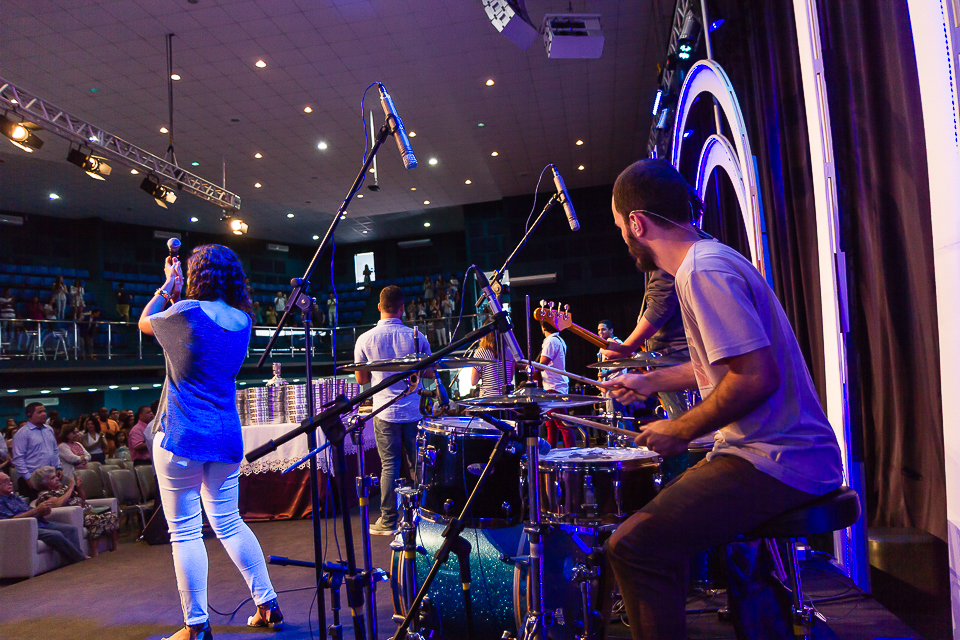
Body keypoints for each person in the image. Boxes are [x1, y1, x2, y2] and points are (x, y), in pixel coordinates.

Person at [599, 159, 843, 639]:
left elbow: (754, 378)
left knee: (633, 547)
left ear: (636, 223)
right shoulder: (713, 258)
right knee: (650, 540)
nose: (623, 241)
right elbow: (723, 363)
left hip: (777, 459)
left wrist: (679, 428)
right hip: (770, 452)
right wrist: (653, 381)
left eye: (619, 228)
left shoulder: (701, 271)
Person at [139, 244, 283, 640]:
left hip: (183, 435)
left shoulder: (185, 312)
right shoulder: (244, 319)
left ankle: (196, 626)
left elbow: (144, 323)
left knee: (184, 532)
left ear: (196, 274)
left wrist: (168, 285)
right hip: (224, 435)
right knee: (229, 522)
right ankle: (268, 604)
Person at [353, 285, 435, 535]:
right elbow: (431, 372)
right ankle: (425, 516)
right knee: (419, 464)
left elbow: (361, 379)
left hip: (384, 411)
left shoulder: (365, 338)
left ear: (379, 307)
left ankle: (388, 520)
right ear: (403, 308)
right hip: (414, 411)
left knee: (389, 465)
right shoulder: (417, 337)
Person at [0, 471, 86, 565]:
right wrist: (36, 510)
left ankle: (72, 563)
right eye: (6, 481)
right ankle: (80, 559)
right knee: (56, 535)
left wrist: (43, 512)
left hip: (38, 522)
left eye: (10, 480)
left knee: (71, 529)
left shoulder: (14, 497)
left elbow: (30, 511)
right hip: (24, 528)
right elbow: (10, 521)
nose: (11, 483)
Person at [34, 465, 119, 553]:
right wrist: (71, 488)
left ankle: (114, 547)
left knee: (112, 516)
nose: (57, 478)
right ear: (44, 483)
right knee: (95, 519)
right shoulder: (45, 494)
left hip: (87, 510)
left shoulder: (63, 488)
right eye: (52, 478)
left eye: (55, 476)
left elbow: (82, 499)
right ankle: (95, 552)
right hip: (78, 515)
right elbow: (58, 503)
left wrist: (79, 488)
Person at [11, 403, 60, 500]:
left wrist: (58, 467)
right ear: (29, 415)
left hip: (49, 477)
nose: (44, 414)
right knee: (35, 509)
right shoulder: (22, 433)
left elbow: (54, 450)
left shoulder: (49, 429)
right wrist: (28, 478)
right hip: (31, 478)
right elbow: (18, 458)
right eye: (39, 412)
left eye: (44, 411)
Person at [539, 319, 573, 448]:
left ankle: (571, 451)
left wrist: (525, 366)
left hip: (554, 387)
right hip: (555, 385)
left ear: (543, 327)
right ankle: (550, 450)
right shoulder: (559, 340)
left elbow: (542, 365)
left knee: (562, 424)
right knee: (551, 424)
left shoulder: (551, 341)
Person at [469, 331, 516, 397]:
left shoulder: (481, 352)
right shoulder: (510, 352)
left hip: (489, 399)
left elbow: (473, 382)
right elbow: (510, 378)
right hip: (507, 398)